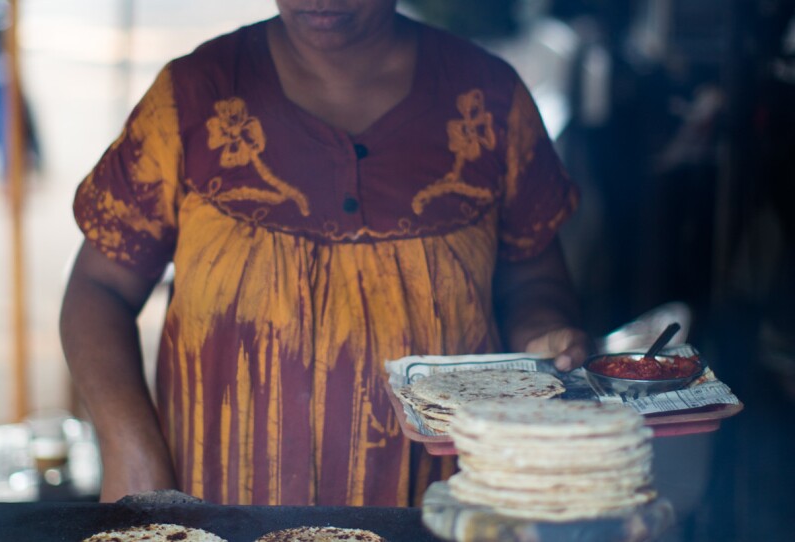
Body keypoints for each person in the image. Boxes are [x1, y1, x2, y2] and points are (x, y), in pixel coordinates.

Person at [60, 0, 591, 507]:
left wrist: (545, 332)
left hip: (444, 508)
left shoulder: (488, 99)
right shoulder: (194, 96)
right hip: (216, 510)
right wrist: (128, 444)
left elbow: (532, 280)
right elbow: (99, 287)